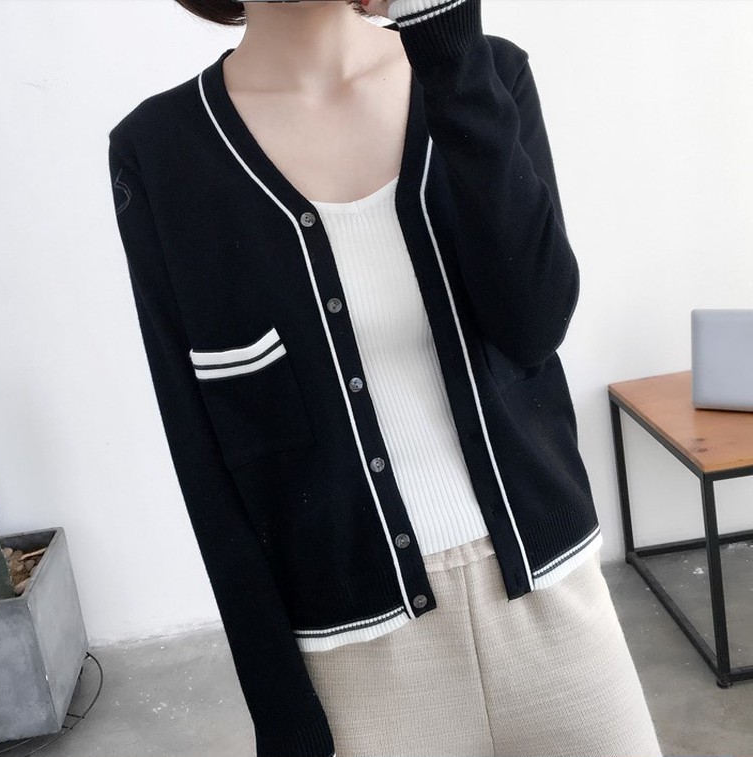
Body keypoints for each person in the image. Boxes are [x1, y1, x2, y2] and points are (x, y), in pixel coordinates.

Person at [108, 0, 665, 755]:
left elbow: (535, 324)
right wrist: (279, 705)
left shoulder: (486, 73)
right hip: (355, 664)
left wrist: (449, 49)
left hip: (555, 604)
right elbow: (201, 455)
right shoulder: (161, 153)